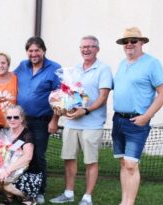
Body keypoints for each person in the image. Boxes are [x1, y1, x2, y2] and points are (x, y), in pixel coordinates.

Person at [50, 36, 113, 205]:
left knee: (90, 161)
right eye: (84, 47)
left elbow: (103, 97)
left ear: (97, 49)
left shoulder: (103, 69)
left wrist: (84, 110)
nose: (86, 50)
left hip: (92, 124)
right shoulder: (74, 69)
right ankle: (68, 193)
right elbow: (67, 92)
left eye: (91, 47)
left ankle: (87, 197)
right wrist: (60, 106)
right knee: (69, 158)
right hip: (71, 122)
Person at [112, 27, 163, 205]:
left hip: (137, 121)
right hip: (118, 119)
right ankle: (124, 201)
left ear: (141, 42)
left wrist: (146, 117)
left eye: (133, 41)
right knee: (123, 163)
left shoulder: (152, 63)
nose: (129, 44)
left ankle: (129, 203)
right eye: (126, 41)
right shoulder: (122, 63)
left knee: (131, 164)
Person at [14, 36, 60, 204]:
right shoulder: (21, 66)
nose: (33, 54)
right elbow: (8, 80)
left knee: (38, 156)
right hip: (21, 121)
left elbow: (59, 98)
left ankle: (40, 191)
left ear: (43, 51)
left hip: (42, 120)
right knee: (20, 154)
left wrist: (54, 120)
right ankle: (22, 187)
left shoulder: (54, 69)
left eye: (37, 50)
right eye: (30, 51)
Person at [0, 105, 42, 205]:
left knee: (7, 185)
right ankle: (9, 198)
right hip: (8, 169)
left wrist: (7, 171)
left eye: (16, 117)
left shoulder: (27, 135)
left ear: (22, 118)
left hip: (28, 173)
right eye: (9, 117)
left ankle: (28, 198)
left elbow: (27, 157)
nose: (12, 120)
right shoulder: (3, 133)